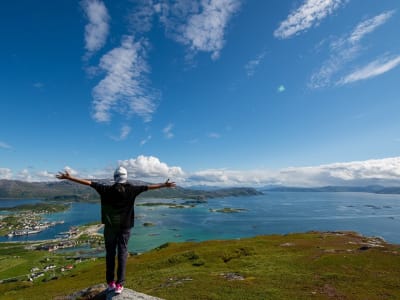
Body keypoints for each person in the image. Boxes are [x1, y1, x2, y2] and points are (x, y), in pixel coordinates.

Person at [56, 166, 176, 294]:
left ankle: (110, 283)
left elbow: (88, 183)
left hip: (110, 227)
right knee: (122, 253)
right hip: (125, 227)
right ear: (126, 177)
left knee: (110, 254)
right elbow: (148, 187)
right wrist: (164, 185)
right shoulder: (132, 190)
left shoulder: (105, 189)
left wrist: (70, 178)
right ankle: (120, 284)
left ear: (114, 177)